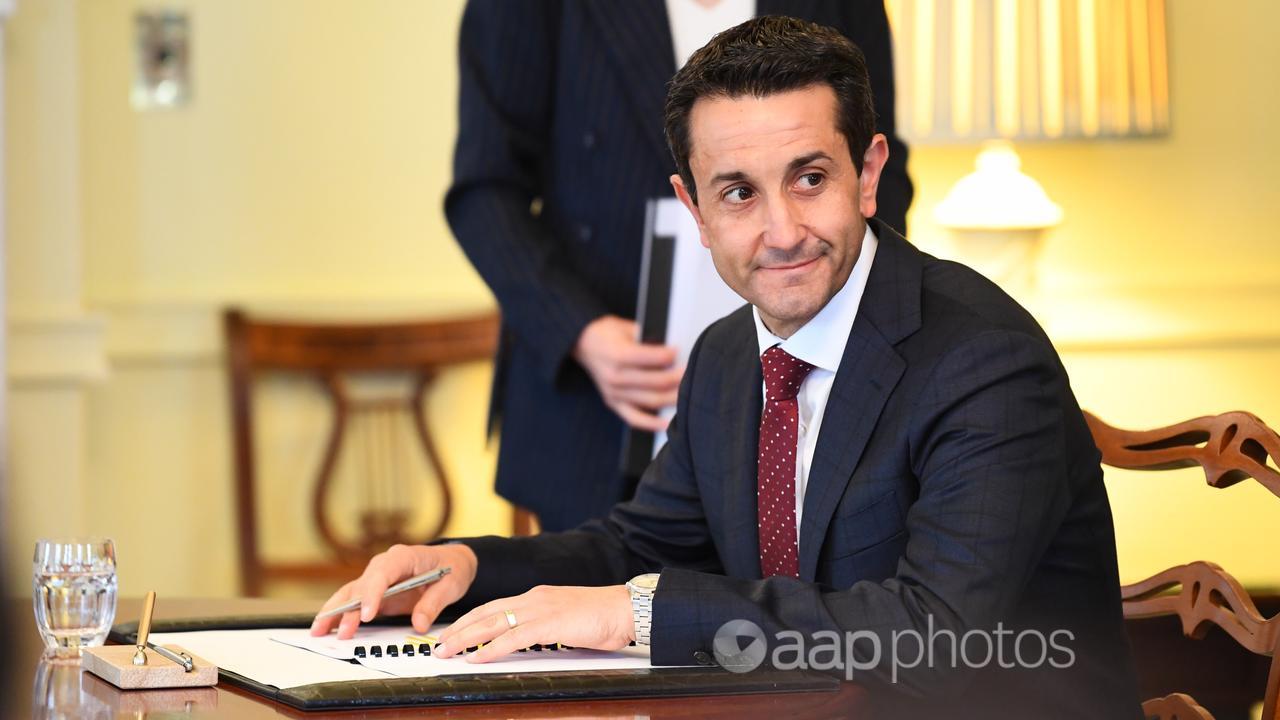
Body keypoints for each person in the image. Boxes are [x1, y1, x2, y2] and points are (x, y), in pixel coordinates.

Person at [321, 16, 1140, 717]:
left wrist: (639, 618)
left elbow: (934, 636)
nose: (781, 231)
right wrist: (468, 565)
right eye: (739, 194)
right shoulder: (725, 354)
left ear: (870, 174)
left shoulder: (982, 359)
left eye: (810, 179)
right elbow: (638, 544)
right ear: (696, 211)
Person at [445, 0, 913, 530]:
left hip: (818, 375)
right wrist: (581, 333)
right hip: (604, 398)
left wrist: (864, 319)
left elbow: (878, 167)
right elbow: (485, 193)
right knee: (598, 583)